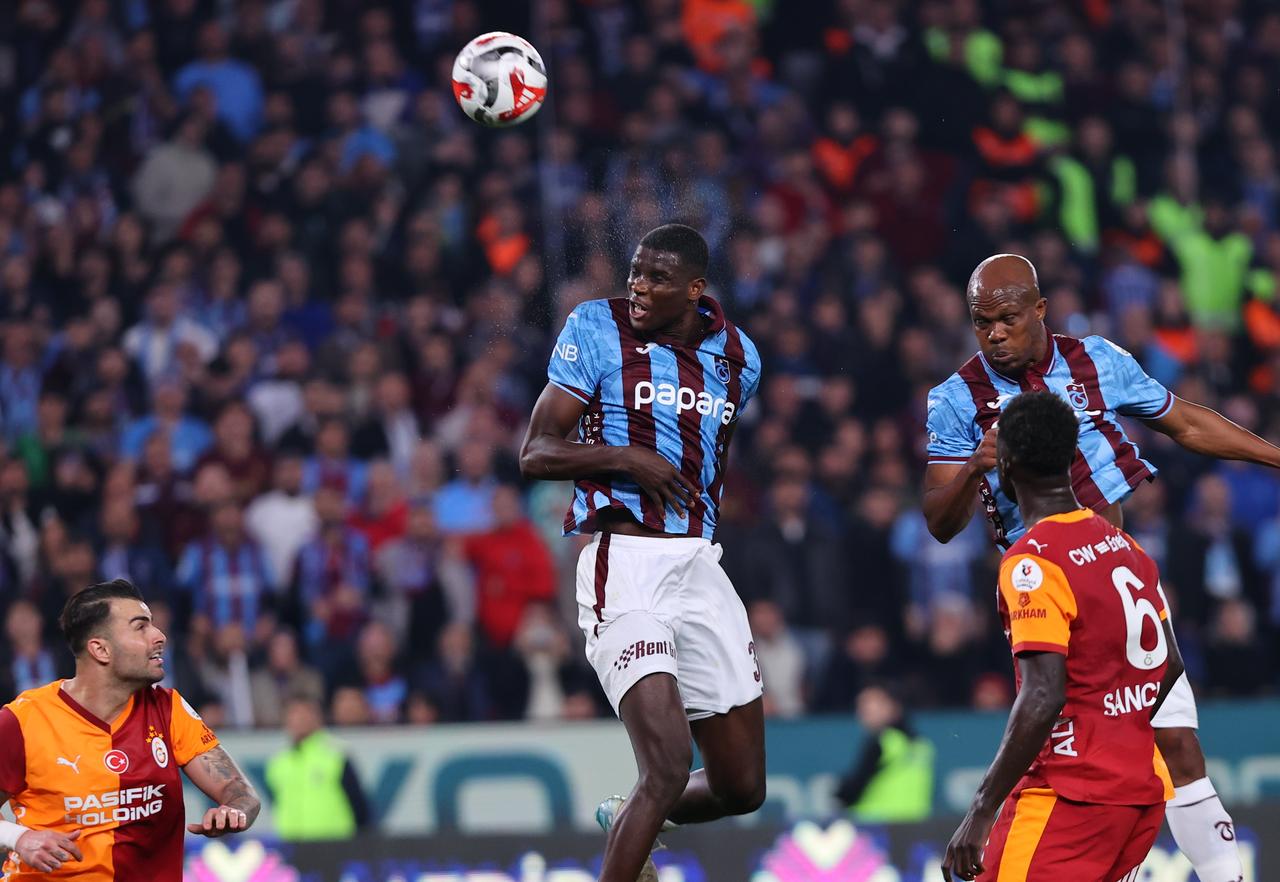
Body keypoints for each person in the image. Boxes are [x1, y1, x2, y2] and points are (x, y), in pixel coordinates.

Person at [925, 254, 1263, 882]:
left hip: (1118, 576)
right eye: (981, 323)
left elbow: (1185, 421)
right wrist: (974, 465)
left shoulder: (1097, 361)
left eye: (1006, 318)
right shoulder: (955, 400)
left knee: (1177, 747)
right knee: (1103, 770)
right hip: (1046, 601)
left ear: (1039, 309)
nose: (994, 333)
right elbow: (939, 523)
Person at [520, 224, 765, 882]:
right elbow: (536, 451)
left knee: (742, 787)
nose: (638, 287)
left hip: (697, 566)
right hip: (622, 565)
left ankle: (625, 811)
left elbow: (710, 462)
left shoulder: (740, 358)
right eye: (634, 272)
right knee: (666, 766)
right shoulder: (597, 328)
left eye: (656, 279)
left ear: (693, 290)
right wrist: (626, 458)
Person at [942, 392, 1184, 881]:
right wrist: (1115, 721)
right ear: (1073, 457)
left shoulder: (1033, 562)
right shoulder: (1125, 546)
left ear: (1004, 465)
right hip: (1139, 795)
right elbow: (1170, 666)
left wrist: (981, 810)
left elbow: (1044, 694)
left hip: (1070, 795)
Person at [0, 579, 260, 879]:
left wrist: (234, 809)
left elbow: (240, 792)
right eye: (141, 627)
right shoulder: (24, 720)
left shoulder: (169, 709)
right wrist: (18, 838)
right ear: (100, 649)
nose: (159, 636)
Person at [264, 694, 370, 841]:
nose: (300, 719)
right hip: (291, 845)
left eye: (306, 713)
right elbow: (276, 803)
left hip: (335, 844)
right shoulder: (278, 762)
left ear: (318, 718)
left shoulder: (337, 755)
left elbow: (359, 805)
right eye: (294, 713)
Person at [834, 684, 934, 824]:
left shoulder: (882, 742)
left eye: (871, 706)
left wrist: (839, 792)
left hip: (875, 827)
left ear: (894, 707)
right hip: (914, 827)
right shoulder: (923, 745)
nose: (864, 712)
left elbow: (853, 789)